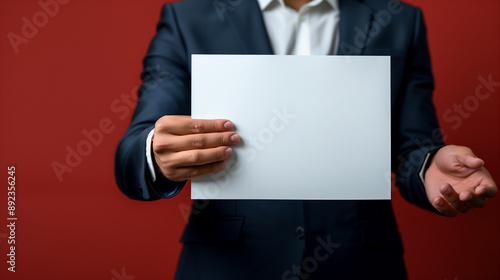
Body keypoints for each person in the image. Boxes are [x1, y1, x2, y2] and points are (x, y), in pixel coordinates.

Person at [114, 0, 497, 279]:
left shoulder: (400, 20)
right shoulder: (188, 17)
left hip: (360, 265)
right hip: (228, 265)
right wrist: (154, 153)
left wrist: (430, 166)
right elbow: (136, 146)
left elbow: (412, 146)